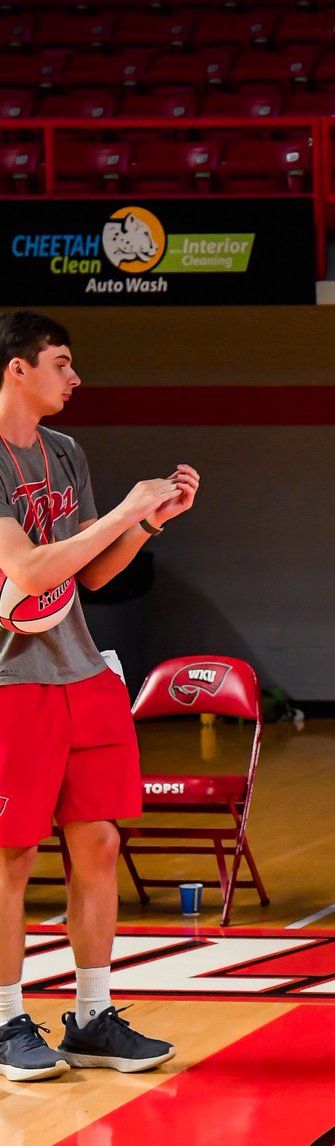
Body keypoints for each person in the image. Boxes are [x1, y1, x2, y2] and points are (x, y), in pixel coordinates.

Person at [0, 310, 195, 1082]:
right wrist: (120, 509)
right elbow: (29, 574)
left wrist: (147, 522)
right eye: (62, 362)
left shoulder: (66, 452)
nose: (74, 378)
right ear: (17, 367)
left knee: (101, 843)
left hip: (83, 670)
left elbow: (90, 576)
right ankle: (7, 1018)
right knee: (11, 855)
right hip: (13, 680)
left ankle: (90, 1017)